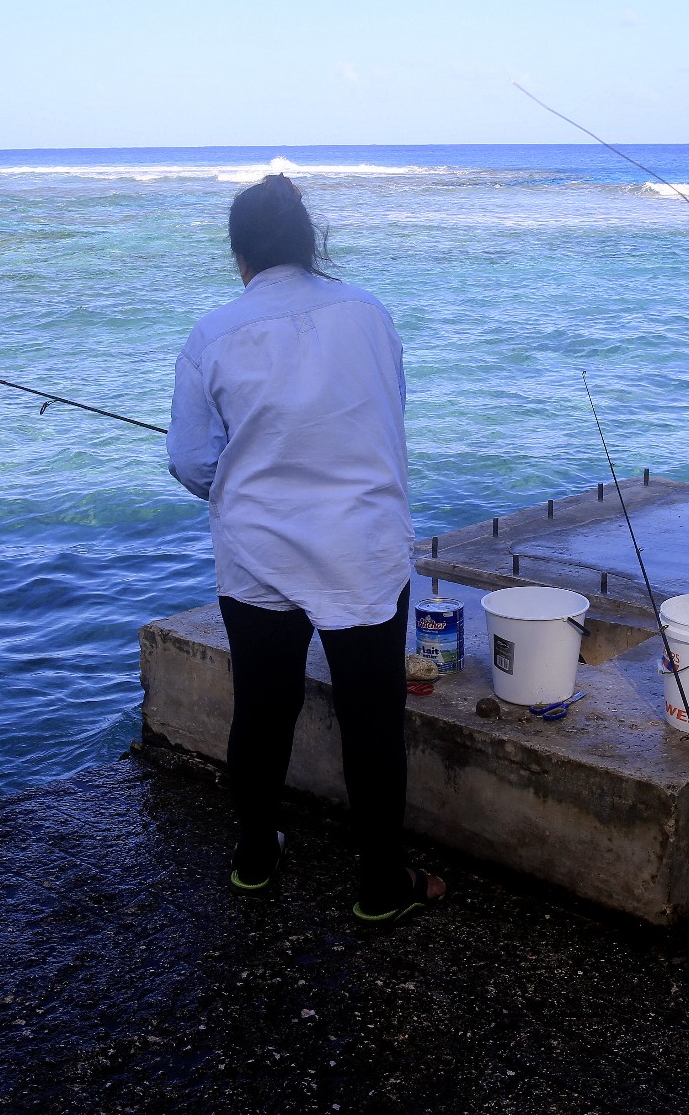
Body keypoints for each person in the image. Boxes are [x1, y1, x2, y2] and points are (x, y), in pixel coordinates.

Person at [166, 174, 445, 923]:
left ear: (240, 253)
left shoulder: (212, 334)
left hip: (258, 554)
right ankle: (381, 884)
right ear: (308, 241)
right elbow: (392, 408)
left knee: (261, 709)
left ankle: (256, 857)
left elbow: (192, 462)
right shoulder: (370, 313)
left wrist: (249, 473)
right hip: (364, 547)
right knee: (373, 716)